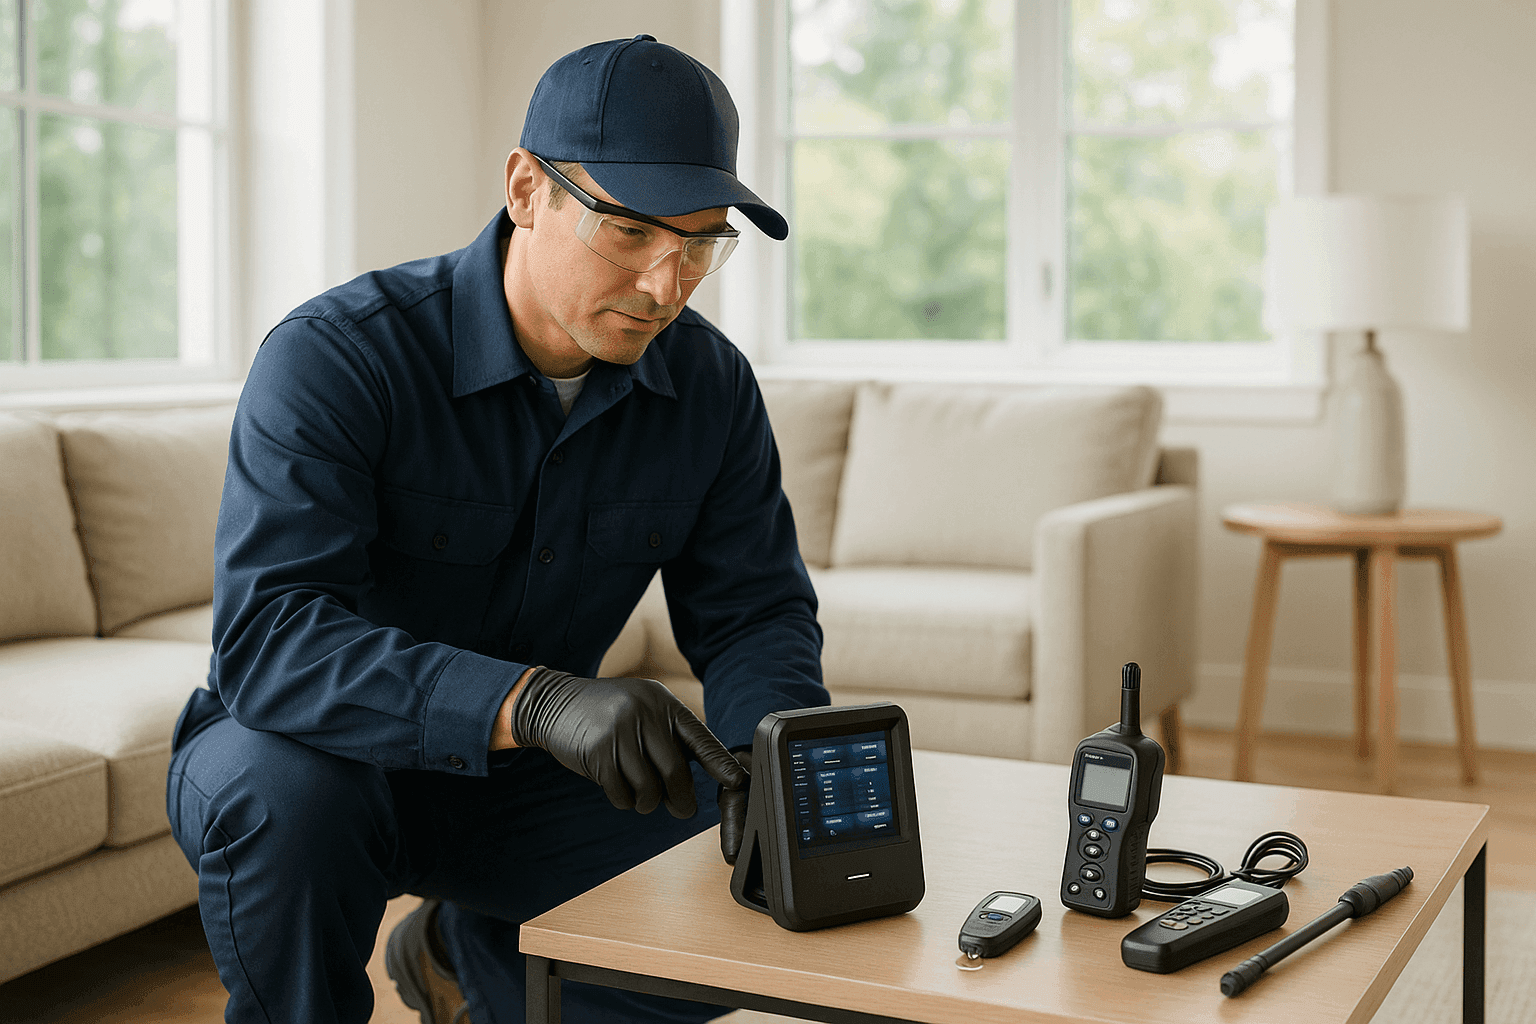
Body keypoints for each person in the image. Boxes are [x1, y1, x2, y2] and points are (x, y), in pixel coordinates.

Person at [165, 34, 828, 1024]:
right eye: (632, 231)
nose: (666, 283)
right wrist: (540, 701)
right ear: (527, 188)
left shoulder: (709, 386)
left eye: (699, 242)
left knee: (735, 875)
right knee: (288, 800)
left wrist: (773, 769)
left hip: (524, 781)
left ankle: (468, 955)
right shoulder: (338, 357)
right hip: (314, 756)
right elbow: (269, 642)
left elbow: (754, 613)